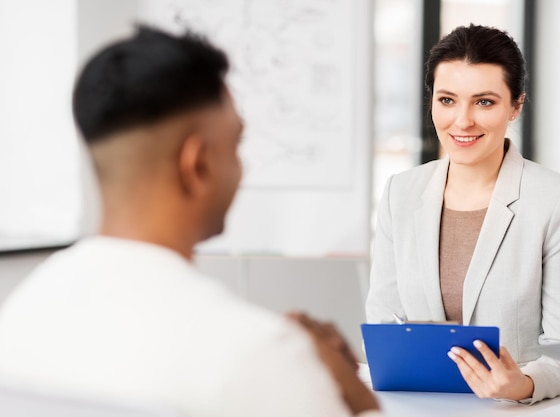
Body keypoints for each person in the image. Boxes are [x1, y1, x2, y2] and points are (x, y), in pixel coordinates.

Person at [0, 26, 382, 417]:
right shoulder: (259, 352)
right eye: (235, 145)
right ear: (197, 165)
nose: (240, 168)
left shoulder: (21, 313)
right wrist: (348, 387)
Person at [366, 24, 560, 404]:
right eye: (447, 100)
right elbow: (383, 326)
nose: (463, 121)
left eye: (484, 101)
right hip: (420, 403)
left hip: (514, 407)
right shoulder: (399, 193)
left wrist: (523, 384)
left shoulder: (558, 199)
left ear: (516, 105)